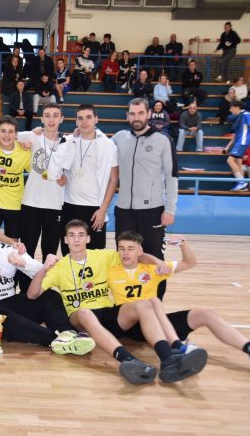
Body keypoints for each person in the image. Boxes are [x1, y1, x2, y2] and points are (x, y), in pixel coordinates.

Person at [28, 219, 204, 384]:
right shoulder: (59, 267)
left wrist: (158, 262)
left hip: (107, 312)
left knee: (145, 303)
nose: (76, 240)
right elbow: (32, 294)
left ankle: (168, 359)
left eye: (81, 235)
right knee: (84, 312)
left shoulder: (102, 256)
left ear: (88, 239)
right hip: (80, 319)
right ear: (65, 240)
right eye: (72, 235)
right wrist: (44, 269)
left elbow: (135, 255)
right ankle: (130, 360)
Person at [0, 212, 95, 353]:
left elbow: (45, 273)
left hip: (10, 303)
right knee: (4, 315)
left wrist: (24, 263)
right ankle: (55, 340)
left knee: (50, 296)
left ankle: (68, 333)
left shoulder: (10, 250)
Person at [110, 231, 250, 365]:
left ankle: (247, 347)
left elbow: (189, 263)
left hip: (157, 323)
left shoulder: (153, 269)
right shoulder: (111, 270)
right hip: (131, 325)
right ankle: (176, 346)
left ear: (140, 251)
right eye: (122, 249)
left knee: (206, 313)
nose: (125, 253)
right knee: (151, 302)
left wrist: (183, 243)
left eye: (130, 249)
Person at [112, 98, 178, 299]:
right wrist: (75, 134)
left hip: (152, 211)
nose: (136, 118)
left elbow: (172, 176)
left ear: (148, 114)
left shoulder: (162, 140)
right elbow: (97, 145)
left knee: (154, 258)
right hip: (124, 210)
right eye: (132, 114)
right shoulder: (119, 138)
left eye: (140, 113)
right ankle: (128, 303)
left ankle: (157, 302)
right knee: (125, 258)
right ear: (127, 116)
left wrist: (170, 209)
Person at [60, 104, 118, 255]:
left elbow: (113, 179)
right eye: (80, 118)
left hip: (94, 209)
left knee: (96, 255)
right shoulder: (67, 141)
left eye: (88, 117)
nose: (84, 122)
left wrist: (103, 209)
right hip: (69, 206)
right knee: (68, 253)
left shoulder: (108, 145)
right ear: (76, 121)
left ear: (96, 119)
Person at [17, 103, 71, 261]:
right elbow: (5, 134)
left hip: (54, 204)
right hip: (31, 202)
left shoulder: (68, 142)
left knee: (50, 251)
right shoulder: (33, 136)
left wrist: (65, 177)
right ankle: (25, 279)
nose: (51, 119)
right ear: (41, 119)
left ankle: (46, 279)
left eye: (55, 115)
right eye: (47, 115)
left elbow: (70, 169)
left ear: (61, 119)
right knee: (27, 250)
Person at [0, 115, 31, 239]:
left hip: (14, 205)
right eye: (3, 131)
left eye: (10, 132)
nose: (6, 135)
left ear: (16, 134)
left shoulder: (25, 152)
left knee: (13, 244)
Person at [223, 101, 250, 191]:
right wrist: (228, 146)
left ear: (237, 107)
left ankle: (241, 182)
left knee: (230, 160)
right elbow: (236, 134)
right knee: (238, 162)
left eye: (231, 108)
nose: (230, 110)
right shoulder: (239, 117)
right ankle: (244, 186)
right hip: (239, 141)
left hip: (242, 141)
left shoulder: (246, 114)